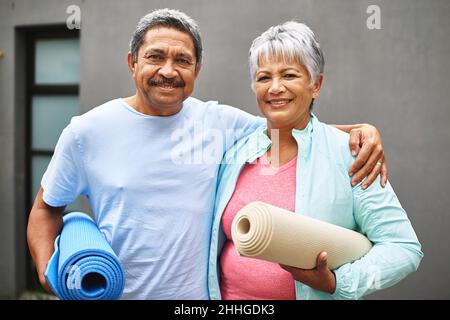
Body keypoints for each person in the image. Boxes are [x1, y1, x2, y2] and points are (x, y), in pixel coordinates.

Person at [27, 9, 387, 300]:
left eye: (182, 60)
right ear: (132, 62)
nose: (168, 70)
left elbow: (290, 125)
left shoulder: (217, 122)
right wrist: (49, 274)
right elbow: (46, 209)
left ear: (197, 70)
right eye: (155, 57)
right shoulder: (86, 132)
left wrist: (361, 131)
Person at [208, 21, 423, 300]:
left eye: (289, 75)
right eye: (264, 78)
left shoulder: (351, 155)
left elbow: (404, 248)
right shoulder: (236, 153)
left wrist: (337, 282)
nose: (275, 88)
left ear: (316, 84)